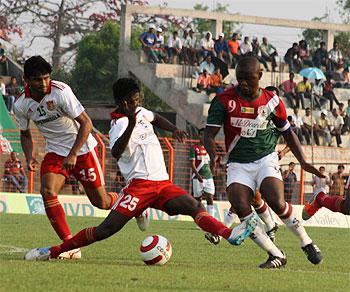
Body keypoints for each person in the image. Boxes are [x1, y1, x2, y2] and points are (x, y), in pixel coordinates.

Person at [24, 78, 258, 261]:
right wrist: (132, 123)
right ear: (124, 103)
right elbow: (115, 151)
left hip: (163, 184)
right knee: (105, 230)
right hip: (139, 188)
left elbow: (155, 117)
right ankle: (53, 251)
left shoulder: (141, 112)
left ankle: (230, 235)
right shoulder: (120, 123)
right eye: (134, 101)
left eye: (139, 99)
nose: (138, 103)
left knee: (194, 206)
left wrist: (173, 130)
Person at [204, 55, 324, 269]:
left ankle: (306, 241)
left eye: (249, 79)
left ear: (260, 76)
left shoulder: (272, 101)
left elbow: (288, 134)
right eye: (240, 78)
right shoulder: (224, 100)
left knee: (275, 201)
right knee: (241, 206)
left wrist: (303, 162)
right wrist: (213, 156)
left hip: (265, 159)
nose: (243, 83)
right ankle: (276, 254)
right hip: (238, 163)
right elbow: (209, 134)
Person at [14, 56, 119, 259]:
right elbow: (25, 133)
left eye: (46, 78)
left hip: (83, 150)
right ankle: (70, 246)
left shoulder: (61, 92)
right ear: (26, 79)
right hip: (55, 152)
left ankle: (130, 201)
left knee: (102, 203)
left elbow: (86, 123)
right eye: (38, 79)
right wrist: (30, 156)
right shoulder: (20, 104)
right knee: (47, 191)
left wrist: (73, 154)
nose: (44, 83)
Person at [189, 129, 216, 217]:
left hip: (208, 177)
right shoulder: (194, 148)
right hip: (197, 177)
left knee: (210, 198)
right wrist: (198, 175)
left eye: (204, 135)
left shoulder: (210, 148)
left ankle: (211, 220)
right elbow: (192, 164)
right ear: (198, 136)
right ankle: (199, 220)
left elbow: (213, 162)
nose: (203, 137)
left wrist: (211, 173)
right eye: (201, 135)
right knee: (198, 199)